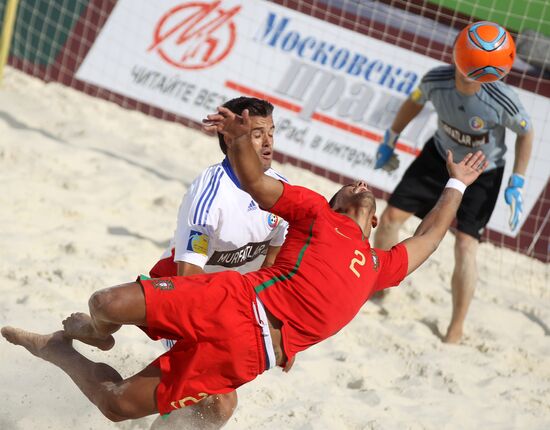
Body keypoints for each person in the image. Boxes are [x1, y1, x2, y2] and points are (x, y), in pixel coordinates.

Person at [1, 103, 488, 423]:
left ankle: (56, 350)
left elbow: (429, 235)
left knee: (121, 405)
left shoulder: (381, 265)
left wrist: (457, 186)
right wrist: (238, 139)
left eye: (366, 191)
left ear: (375, 219)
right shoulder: (313, 210)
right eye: (350, 186)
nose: (360, 185)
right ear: (335, 200)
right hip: (223, 297)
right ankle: (96, 326)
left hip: (253, 353)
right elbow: (255, 184)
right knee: (106, 301)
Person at [373, 22, 534, 344]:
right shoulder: (436, 80)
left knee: (465, 245)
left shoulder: (503, 100)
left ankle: (455, 328)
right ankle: (375, 286)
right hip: (438, 157)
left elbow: (526, 132)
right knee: (390, 218)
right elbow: (415, 101)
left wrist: (517, 179)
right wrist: (391, 137)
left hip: (482, 172)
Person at [148, 96, 290, 428]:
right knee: (220, 401)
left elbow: (272, 268)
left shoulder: (281, 190)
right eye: (257, 133)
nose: (268, 142)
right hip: (182, 295)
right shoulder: (210, 197)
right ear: (232, 137)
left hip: (233, 306)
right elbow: (188, 278)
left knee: (211, 404)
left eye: (272, 131)